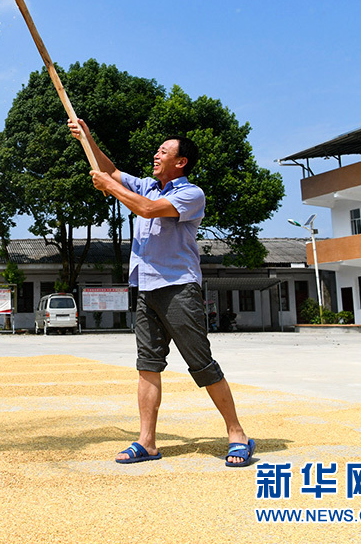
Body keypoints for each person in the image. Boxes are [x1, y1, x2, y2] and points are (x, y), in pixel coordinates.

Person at [68, 118, 255, 467]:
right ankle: (148, 442)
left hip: (178, 288)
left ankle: (237, 435)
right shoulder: (148, 186)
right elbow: (110, 169)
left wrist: (109, 187)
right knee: (147, 366)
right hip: (144, 287)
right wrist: (89, 139)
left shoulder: (190, 193)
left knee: (201, 364)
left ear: (180, 162)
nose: (156, 155)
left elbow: (145, 209)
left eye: (163, 151)